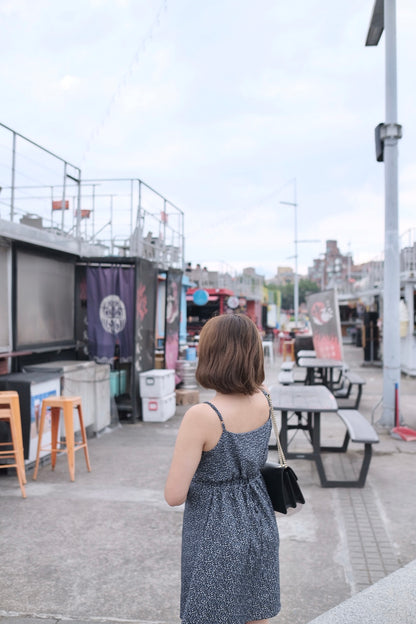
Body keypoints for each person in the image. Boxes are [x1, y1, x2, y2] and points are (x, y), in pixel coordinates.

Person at [165, 313, 280, 624]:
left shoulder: (203, 415)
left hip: (215, 535)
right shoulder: (265, 398)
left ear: (210, 356)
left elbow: (174, 494)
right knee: (256, 613)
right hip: (260, 522)